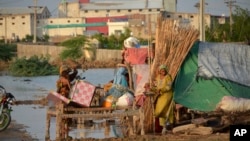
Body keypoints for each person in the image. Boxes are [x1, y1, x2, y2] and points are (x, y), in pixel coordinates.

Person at [152, 64, 174, 134]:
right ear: (159, 71)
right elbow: (155, 87)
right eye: (161, 70)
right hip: (160, 96)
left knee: (165, 110)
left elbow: (169, 87)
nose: (163, 72)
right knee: (159, 111)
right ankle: (164, 126)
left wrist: (161, 90)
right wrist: (150, 88)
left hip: (167, 95)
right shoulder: (158, 78)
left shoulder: (168, 77)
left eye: (164, 70)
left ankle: (168, 125)